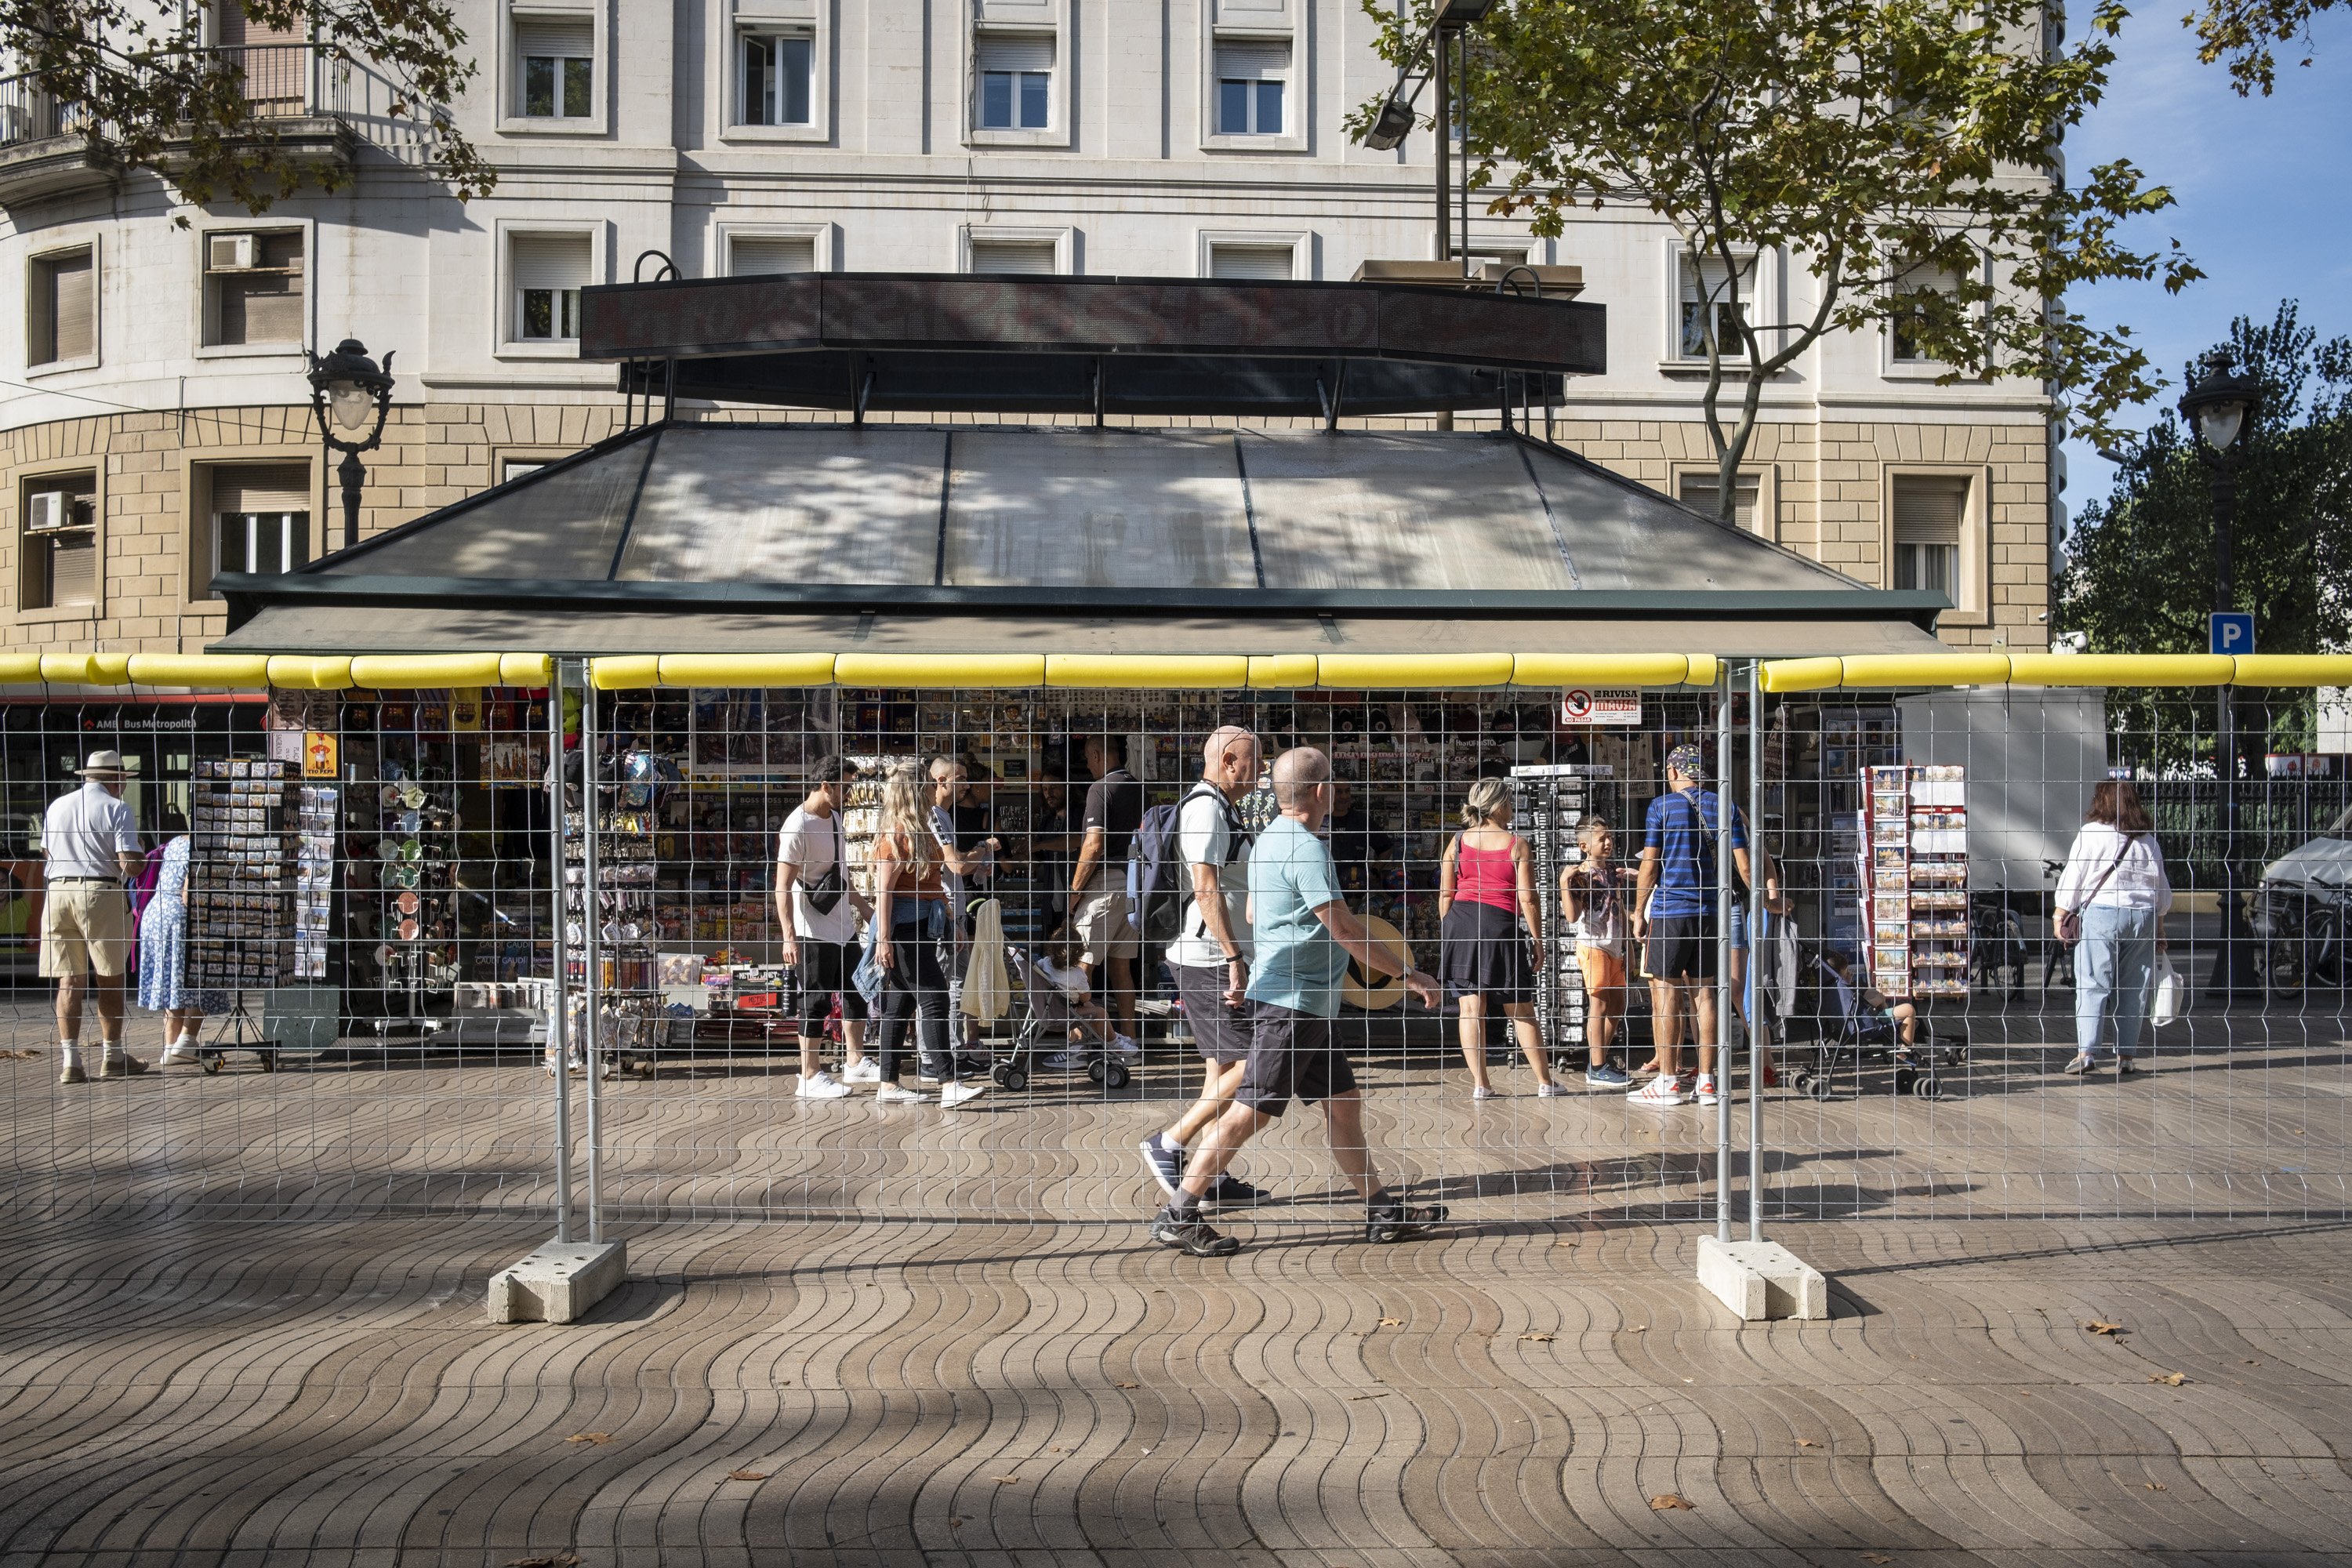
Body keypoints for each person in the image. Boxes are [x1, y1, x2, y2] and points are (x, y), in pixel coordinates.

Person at [1149, 746, 1444, 1258]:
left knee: (1344, 1105)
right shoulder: (1306, 848)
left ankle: (1383, 1213)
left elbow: (1251, 906)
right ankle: (1178, 1214)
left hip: (1306, 1003)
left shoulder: (1268, 840)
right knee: (1248, 1114)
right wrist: (1408, 973)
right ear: (1322, 792)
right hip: (1292, 1004)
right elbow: (1347, 931)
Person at [1138, 725, 1269, 1205]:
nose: (1262, 770)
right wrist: (1235, 956)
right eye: (1256, 760)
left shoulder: (1221, 806)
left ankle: (1208, 1171)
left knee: (1222, 1069)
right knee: (1255, 1057)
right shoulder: (1207, 809)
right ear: (1230, 760)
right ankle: (1169, 1142)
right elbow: (1206, 888)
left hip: (1214, 956)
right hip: (1210, 958)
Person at [1630, 742, 1751, 1109]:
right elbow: (1744, 866)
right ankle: (1707, 1082)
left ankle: (1667, 1082)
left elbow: (1649, 866)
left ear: (1672, 772)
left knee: (1667, 995)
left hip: (1670, 911)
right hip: (1710, 912)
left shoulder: (1660, 807)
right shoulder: (1724, 805)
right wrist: (1764, 900)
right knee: (1706, 995)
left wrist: (1638, 911)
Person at [871, 761, 987, 1107]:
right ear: (912, 790)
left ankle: (888, 1085)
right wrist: (884, 940)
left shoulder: (921, 828)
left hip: (924, 926)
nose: (930, 789)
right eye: (924, 784)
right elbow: (884, 892)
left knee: (899, 1006)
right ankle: (948, 1082)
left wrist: (952, 922)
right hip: (903, 931)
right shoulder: (896, 835)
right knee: (935, 997)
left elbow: (935, 881)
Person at [1437, 777, 1561, 1097]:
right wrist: (1537, 940)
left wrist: (1450, 931)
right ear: (1500, 805)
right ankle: (1545, 1083)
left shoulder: (1458, 841)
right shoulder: (1516, 844)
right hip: (1501, 926)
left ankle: (1481, 1085)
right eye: (1510, 803)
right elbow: (1528, 898)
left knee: (1470, 1009)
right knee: (1520, 1008)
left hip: (1460, 923)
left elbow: (1445, 895)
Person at [42, 750, 147, 1084]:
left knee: (69, 980)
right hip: (99, 892)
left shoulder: (57, 806)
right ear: (116, 779)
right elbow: (129, 863)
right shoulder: (117, 809)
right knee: (110, 976)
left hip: (57, 891)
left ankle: (71, 1061)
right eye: (124, 781)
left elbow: (47, 852)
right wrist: (140, 854)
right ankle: (112, 1055)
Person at [2054, 779, 2172, 1076]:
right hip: (2143, 917)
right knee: (2134, 988)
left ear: (2100, 802)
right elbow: (2160, 888)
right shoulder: (2147, 840)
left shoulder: (2091, 834)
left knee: (2093, 983)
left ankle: (2086, 1053)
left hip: (2103, 914)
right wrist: (2159, 925)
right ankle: (2126, 1057)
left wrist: (2060, 913)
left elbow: (2074, 877)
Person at [775, 755, 873, 1099]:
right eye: (845, 787)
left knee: (858, 991)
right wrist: (789, 937)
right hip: (811, 928)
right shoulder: (797, 826)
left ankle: (855, 1060)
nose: (849, 794)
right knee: (814, 1000)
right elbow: (782, 886)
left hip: (843, 926)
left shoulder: (834, 818)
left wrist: (864, 908)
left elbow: (840, 876)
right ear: (826, 785)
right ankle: (809, 1075)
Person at [1069, 735, 1143, 1053]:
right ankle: (1129, 1041)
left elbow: (1093, 844)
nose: (1087, 764)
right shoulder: (1139, 788)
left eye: (1087, 757)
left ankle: (1075, 1045)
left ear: (1098, 754)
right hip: (1133, 885)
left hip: (1104, 886)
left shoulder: (1099, 789)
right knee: (1121, 968)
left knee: (1081, 965)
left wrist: (1075, 891)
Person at [927, 753, 1001, 1057]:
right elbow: (955, 865)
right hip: (944, 912)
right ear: (941, 781)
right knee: (949, 983)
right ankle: (945, 1052)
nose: (967, 786)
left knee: (958, 981)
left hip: (952, 910)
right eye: (961, 779)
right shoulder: (934, 816)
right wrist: (983, 848)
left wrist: (978, 861)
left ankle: (953, 1050)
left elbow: (958, 865)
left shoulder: (944, 815)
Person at [139, 809, 225, 1066]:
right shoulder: (201, 849)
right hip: (180, 919)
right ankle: (187, 1040)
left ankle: (171, 1048)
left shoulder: (176, 842)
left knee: (173, 984)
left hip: (156, 916)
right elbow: (190, 894)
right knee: (206, 975)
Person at [1559, 815, 1632, 1089]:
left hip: (1614, 947)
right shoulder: (1581, 876)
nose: (1608, 842)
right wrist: (1565, 884)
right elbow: (1572, 916)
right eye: (1601, 838)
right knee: (1599, 1003)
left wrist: (1629, 949)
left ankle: (1597, 1058)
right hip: (1593, 945)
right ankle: (1598, 1065)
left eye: (1609, 836)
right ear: (1584, 846)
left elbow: (1619, 907)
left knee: (1617, 1005)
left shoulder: (1613, 871)